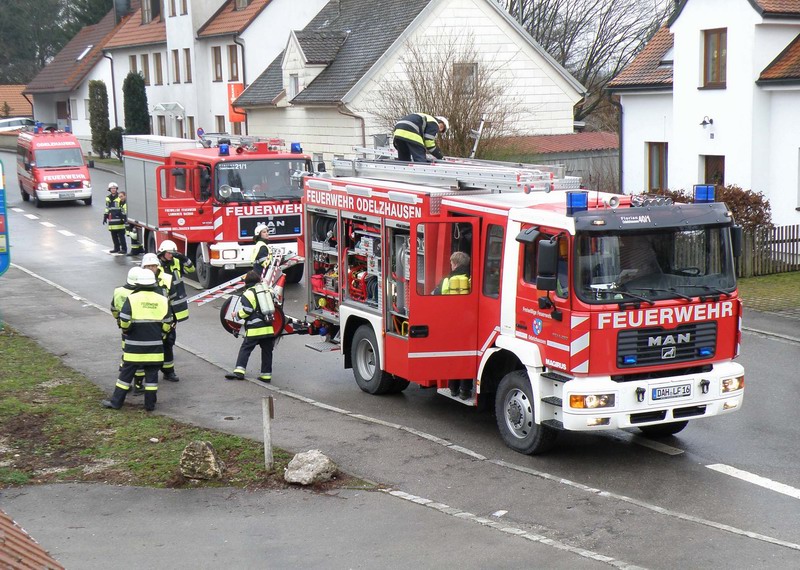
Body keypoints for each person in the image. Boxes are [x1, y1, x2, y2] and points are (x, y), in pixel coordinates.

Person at [101, 267, 173, 411]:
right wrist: (161, 335)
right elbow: (168, 322)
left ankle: (116, 403)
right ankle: (150, 405)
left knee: (125, 376)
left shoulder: (132, 298)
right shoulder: (163, 299)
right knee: (152, 378)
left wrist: (126, 330)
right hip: (155, 346)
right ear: (153, 283)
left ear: (138, 284)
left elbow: (125, 321)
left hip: (134, 346)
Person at [433, 251, 474, 399]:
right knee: (466, 357)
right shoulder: (471, 279)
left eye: (451, 263)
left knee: (453, 356)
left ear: (455, 264)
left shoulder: (447, 280)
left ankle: (453, 388)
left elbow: (435, 297)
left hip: (451, 324)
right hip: (468, 323)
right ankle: (465, 390)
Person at [225, 271, 276, 383]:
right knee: (267, 351)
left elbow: (247, 311)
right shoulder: (266, 290)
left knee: (246, 349)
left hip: (255, 329)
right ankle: (266, 375)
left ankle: (239, 372)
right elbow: (275, 297)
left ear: (246, 282)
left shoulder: (247, 294)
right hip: (268, 328)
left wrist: (236, 315)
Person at [142, 252, 181, 382]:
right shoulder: (138, 278)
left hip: (164, 317)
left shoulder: (167, 278)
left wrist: (174, 320)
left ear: (158, 266)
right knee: (146, 347)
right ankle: (142, 376)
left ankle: (169, 371)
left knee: (167, 344)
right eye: (147, 266)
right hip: (146, 318)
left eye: (153, 266)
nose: (151, 269)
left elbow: (175, 300)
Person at [157, 240, 194, 322]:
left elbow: (191, 269)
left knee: (171, 329)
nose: (171, 255)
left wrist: (184, 258)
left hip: (175, 304)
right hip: (162, 303)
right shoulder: (155, 265)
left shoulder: (176, 262)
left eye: (173, 253)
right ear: (162, 253)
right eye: (169, 253)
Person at [103, 182, 127, 254]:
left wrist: (123, 217)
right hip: (111, 220)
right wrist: (105, 216)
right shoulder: (108, 198)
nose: (113, 190)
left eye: (114, 188)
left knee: (121, 236)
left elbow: (123, 207)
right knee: (114, 235)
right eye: (112, 188)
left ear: (116, 189)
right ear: (109, 189)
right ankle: (116, 248)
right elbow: (107, 207)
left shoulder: (119, 197)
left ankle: (124, 249)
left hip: (119, 220)